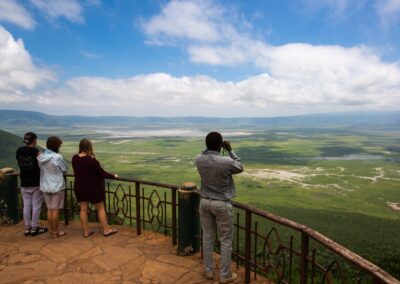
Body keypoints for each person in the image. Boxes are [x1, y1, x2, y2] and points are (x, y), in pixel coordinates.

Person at [195, 132, 243, 283]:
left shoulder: (199, 159)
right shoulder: (226, 161)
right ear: (220, 144)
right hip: (221, 204)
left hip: (204, 202)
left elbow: (204, 154)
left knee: (207, 238)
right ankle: (225, 275)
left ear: (206, 144)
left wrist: (210, 148)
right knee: (226, 241)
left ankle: (208, 272)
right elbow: (240, 166)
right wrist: (229, 149)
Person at [72, 139, 118, 238]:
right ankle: (106, 229)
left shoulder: (75, 158)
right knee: (100, 208)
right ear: (89, 147)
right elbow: (101, 173)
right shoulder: (91, 160)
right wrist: (113, 176)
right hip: (92, 188)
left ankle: (86, 232)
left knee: (83, 209)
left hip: (79, 187)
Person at [16, 132, 48, 236]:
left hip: (24, 181)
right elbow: (43, 163)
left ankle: (27, 228)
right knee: (36, 205)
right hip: (35, 182)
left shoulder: (19, 151)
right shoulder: (36, 151)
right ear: (34, 140)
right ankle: (34, 228)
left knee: (26, 206)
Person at [38, 136, 68, 238]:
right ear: (56, 146)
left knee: (50, 209)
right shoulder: (57, 157)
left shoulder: (41, 157)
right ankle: (56, 232)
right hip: (57, 185)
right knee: (55, 210)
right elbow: (64, 170)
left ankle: (51, 231)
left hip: (45, 184)